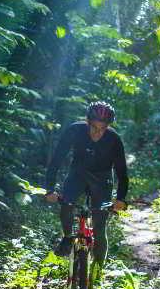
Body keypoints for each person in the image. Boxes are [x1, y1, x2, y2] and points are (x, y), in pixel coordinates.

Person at [44, 101, 128, 265]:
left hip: (103, 178)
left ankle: (98, 269)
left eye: (103, 129)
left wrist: (121, 198)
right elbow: (56, 160)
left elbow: (122, 172)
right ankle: (68, 237)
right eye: (94, 128)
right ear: (87, 122)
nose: (98, 133)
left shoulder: (114, 139)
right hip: (78, 173)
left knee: (99, 225)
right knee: (66, 204)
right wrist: (50, 189)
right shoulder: (75, 131)